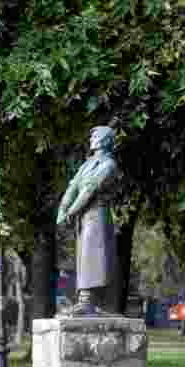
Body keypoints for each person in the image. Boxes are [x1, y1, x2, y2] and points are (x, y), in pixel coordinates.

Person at [56, 125, 123, 316]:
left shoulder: (108, 164)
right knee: (85, 256)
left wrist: (71, 211)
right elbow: (73, 186)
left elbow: (90, 189)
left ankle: (89, 300)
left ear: (105, 140)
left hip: (96, 215)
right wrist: (63, 210)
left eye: (95, 135)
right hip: (84, 217)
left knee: (93, 257)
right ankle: (88, 300)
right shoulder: (87, 164)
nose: (91, 138)